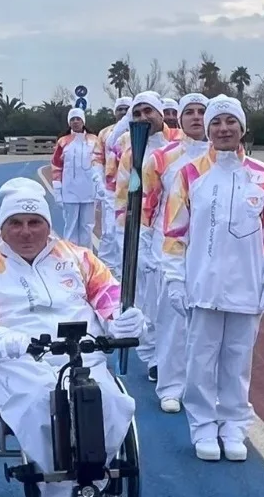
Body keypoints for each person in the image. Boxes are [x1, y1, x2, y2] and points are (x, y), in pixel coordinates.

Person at [0, 177, 144, 497]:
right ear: (2, 227)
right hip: (19, 361)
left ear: (47, 224)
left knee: (107, 403)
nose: (26, 232)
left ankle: (92, 495)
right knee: (46, 406)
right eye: (16, 224)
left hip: (81, 353)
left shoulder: (77, 257)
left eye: (34, 222)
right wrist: (8, 340)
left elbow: (111, 296)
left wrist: (121, 318)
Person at [161, 96, 264, 461]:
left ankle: (233, 426)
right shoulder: (189, 174)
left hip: (247, 287)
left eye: (231, 121)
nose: (223, 128)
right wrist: (175, 281)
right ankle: (202, 427)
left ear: (242, 128)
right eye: (216, 122)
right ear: (209, 129)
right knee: (199, 363)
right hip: (202, 287)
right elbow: (175, 234)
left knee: (238, 364)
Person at [136, 93, 209, 412]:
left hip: (210, 250)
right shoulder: (162, 158)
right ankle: (170, 385)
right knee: (171, 318)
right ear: (177, 119)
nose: (195, 117)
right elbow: (148, 206)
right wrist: (146, 245)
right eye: (188, 112)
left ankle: (203, 387)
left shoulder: (225, 156)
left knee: (208, 322)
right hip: (169, 248)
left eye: (201, 112)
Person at [111, 91, 185, 381]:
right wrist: (128, 238)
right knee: (147, 301)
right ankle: (153, 357)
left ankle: (175, 359)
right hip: (145, 234)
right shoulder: (131, 153)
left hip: (179, 234)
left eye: (148, 111)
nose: (143, 117)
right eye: (137, 113)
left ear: (160, 113)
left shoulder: (180, 145)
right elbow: (122, 198)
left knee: (175, 304)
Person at [50, 108, 105, 248]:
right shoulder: (63, 141)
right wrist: (57, 190)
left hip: (89, 190)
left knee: (87, 227)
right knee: (71, 227)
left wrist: (100, 186)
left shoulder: (94, 140)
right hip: (70, 191)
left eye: (78, 119)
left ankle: (87, 259)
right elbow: (56, 165)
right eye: (72, 119)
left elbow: (100, 162)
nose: (75, 122)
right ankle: (70, 256)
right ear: (69, 122)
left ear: (83, 121)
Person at [96, 97, 131, 271]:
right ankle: (107, 268)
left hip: (133, 189)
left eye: (127, 109)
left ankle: (123, 269)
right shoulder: (105, 133)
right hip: (110, 189)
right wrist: (98, 183)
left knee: (127, 232)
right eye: (120, 109)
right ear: (115, 112)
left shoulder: (138, 129)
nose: (123, 112)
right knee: (109, 230)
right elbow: (97, 158)